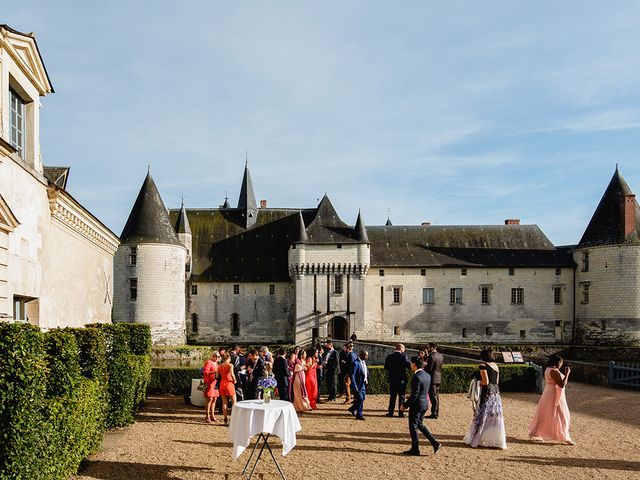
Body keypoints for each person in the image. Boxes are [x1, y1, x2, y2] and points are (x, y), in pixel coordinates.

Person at [463, 349, 507, 449]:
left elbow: (485, 382)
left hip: (486, 393)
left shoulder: (483, 365)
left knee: (483, 415)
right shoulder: (495, 365)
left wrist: (477, 381)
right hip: (496, 393)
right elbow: (497, 381)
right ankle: (494, 440)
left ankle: (479, 437)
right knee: (495, 416)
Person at [400, 356, 442, 456]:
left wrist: (404, 406)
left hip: (417, 405)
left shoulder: (416, 377)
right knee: (419, 424)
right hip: (424, 404)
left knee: (413, 426)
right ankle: (434, 443)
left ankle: (415, 449)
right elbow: (421, 392)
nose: (410, 365)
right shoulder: (426, 375)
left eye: (411, 363)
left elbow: (415, 395)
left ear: (414, 364)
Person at [528, 354, 574, 444]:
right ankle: (561, 435)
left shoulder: (549, 369)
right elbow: (562, 384)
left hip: (550, 392)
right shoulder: (553, 371)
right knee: (561, 414)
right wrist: (567, 373)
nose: (561, 364)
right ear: (557, 363)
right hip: (553, 394)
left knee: (551, 413)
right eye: (561, 362)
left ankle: (561, 435)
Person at [385, 343, 411, 418]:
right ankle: (401, 413)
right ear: (401, 348)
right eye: (404, 349)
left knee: (392, 396)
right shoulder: (403, 356)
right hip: (401, 380)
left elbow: (386, 367)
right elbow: (408, 366)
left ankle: (390, 412)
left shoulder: (389, 356)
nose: (404, 350)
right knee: (401, 396)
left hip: (392, 379)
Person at [425, 342, 444, 419]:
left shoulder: (431, 356)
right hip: (438, 378)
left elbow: (429, 368)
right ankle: (436, 412)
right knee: (436, 396)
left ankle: (434, 413)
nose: (427, 349)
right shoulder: (440, 355)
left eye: (428, 347)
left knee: (433, 397)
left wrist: (423, 368)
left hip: (432, 378)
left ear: (432, 347)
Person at [348, 350, 368, 420]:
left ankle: (352, 408)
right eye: (366, 355)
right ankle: (359, 414)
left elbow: (365, 372)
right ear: (361, 355)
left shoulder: (363, 362)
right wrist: (355, 386)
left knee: (362, 399)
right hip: (358, 384)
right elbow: (352, 375)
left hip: (364, 383)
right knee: (360, 398)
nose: (367, 357)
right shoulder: (355, 363)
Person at [218, 352, 237, 426]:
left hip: (222, 384)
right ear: (229, 358)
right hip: (229, 383)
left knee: (224, 402)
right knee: (234, 402)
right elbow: (232, 374)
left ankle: (225, 418)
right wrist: (235, 380)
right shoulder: (230, 365)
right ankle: (234, 418)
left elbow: (217, 375)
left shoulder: (219, 366)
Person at [202, 351, 221, 423]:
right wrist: (214, 372)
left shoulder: (217, 363)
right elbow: (205, 372)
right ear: (213, 356)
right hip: (209, 383)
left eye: (218, 356)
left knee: (214, 399)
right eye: (216, 356)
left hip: (215, 383)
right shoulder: (209, 362)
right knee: (209, 399)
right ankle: (207, 416)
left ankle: (212, 415)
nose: (217, 358)